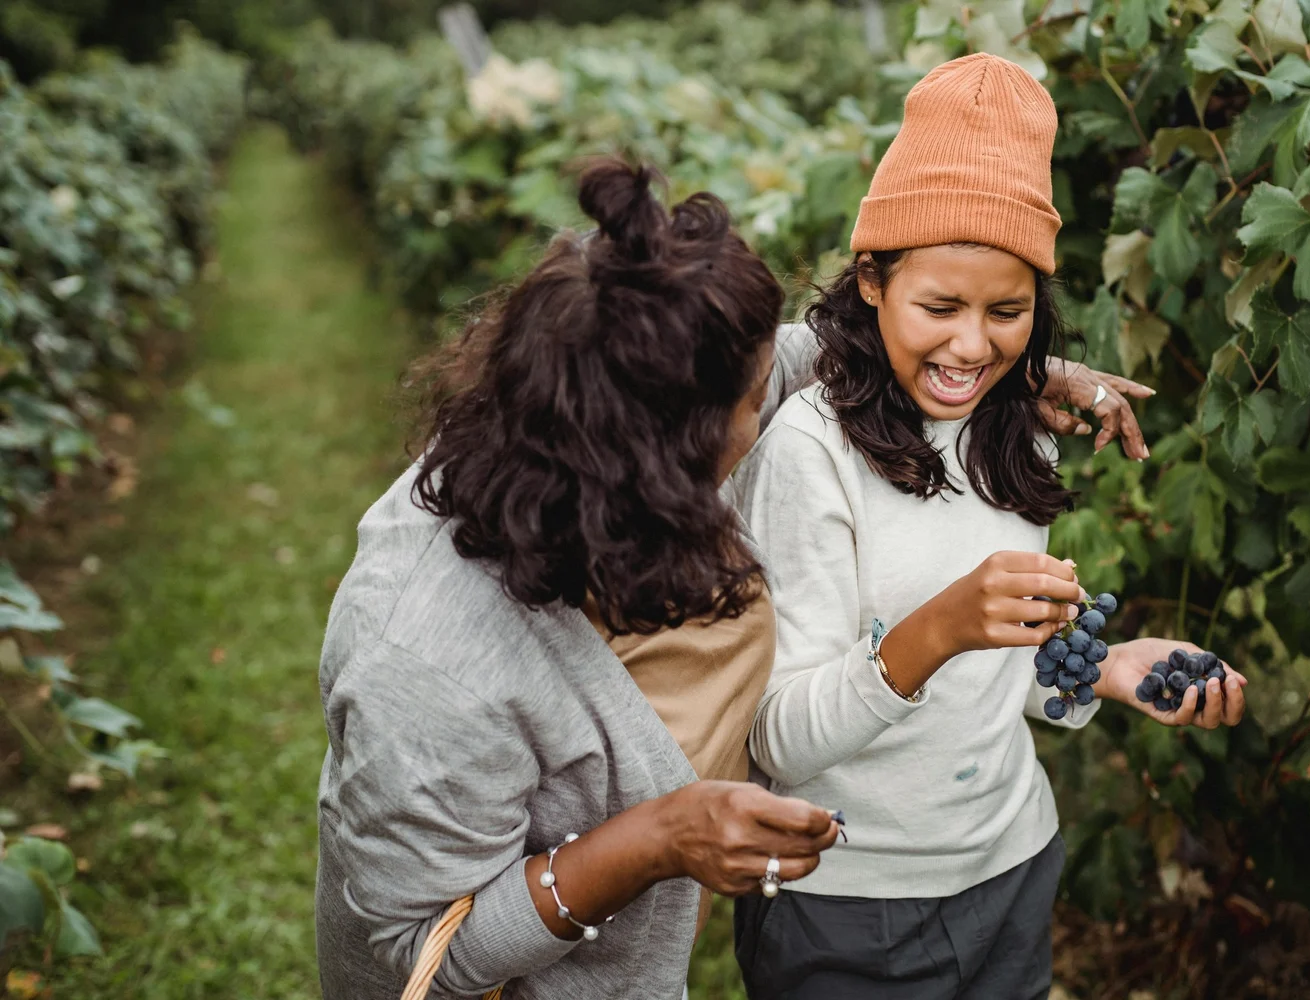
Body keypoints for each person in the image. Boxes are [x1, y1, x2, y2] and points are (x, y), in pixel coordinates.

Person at [729, 53, 1249, 1000]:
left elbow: (998, 678)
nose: (974, 346)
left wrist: (1106, 668)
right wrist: (940, 627)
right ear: (873, 281)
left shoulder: (1015, 434)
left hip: (1011, 868)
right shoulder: (810, 454)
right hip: (847, 904)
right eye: (941, 307)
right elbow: (774, 739)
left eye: (1008, 312)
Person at [314, 161, 842, 1000]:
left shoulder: (570, 428)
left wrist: (1008, 383)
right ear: (660, 456)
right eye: (752, 401)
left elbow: (782, 363)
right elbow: (428, 956)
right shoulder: (427, 662)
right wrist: (661, 837)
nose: (768, 403)